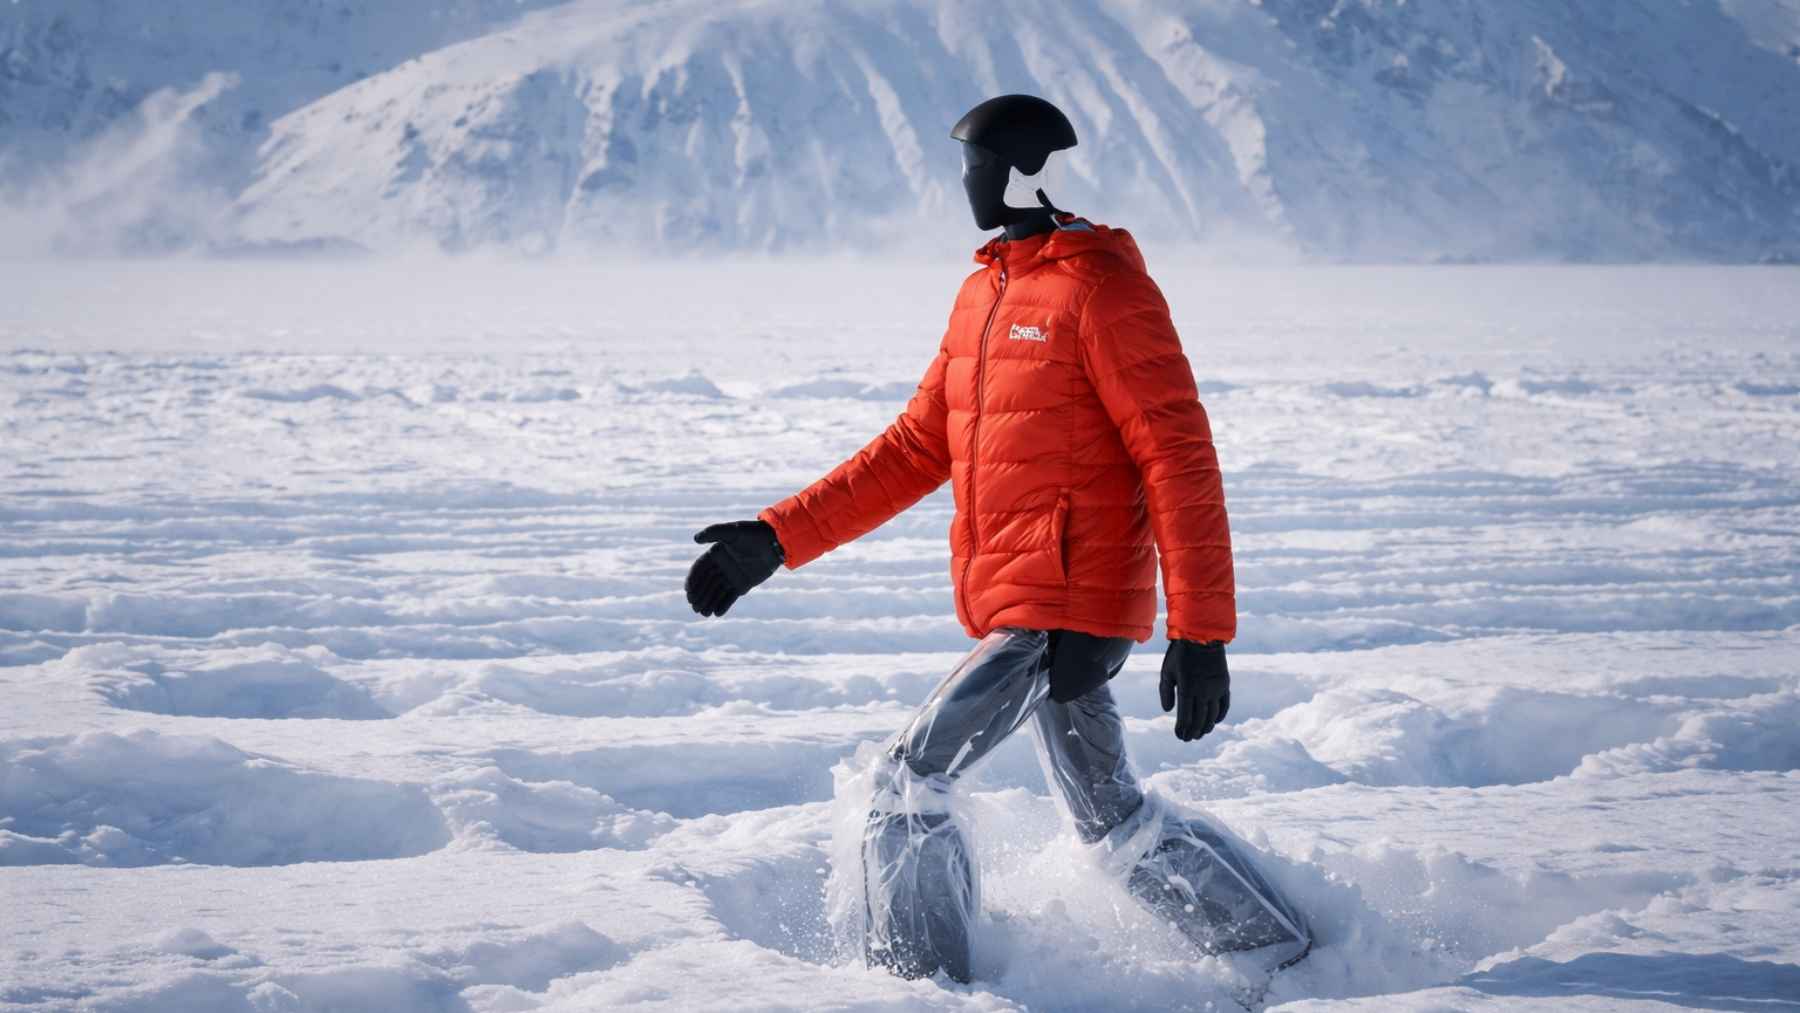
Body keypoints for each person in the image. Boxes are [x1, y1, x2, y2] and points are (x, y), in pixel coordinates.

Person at [685, 94, 1310, 984]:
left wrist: (1201, 629)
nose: (965, 184)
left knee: (911, 781)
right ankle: (1279, 954)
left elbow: (1178, 455)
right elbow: (914, 447)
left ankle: (923, 992)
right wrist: (774, 538)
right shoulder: (987, 292)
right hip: (1024, 601)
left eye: (974, 164)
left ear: (1019, 168)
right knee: (1111, 819)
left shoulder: (1103, 287)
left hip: (1064, 604)